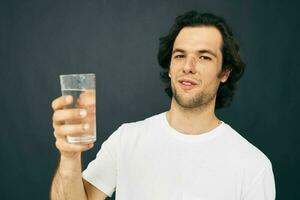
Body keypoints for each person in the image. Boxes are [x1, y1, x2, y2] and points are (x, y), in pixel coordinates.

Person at [50, 11, 276, 200]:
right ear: (169, 67)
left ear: (225, 72)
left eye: (204, 57)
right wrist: (69, 157)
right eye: (179, 55)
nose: (188, 66)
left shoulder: (253, 166)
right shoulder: (126, 140)